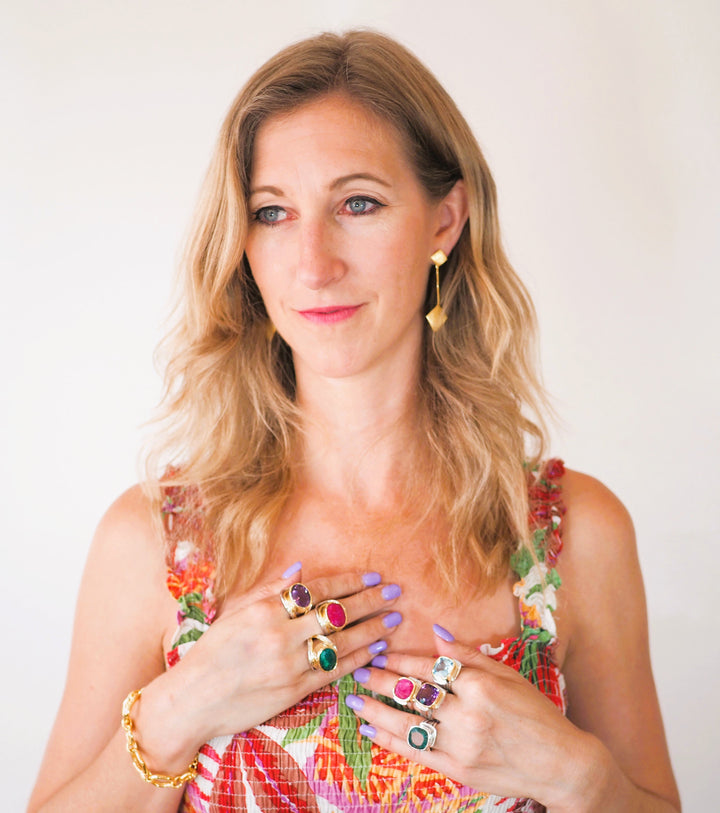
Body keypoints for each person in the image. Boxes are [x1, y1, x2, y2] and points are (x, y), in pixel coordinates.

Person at [28, 30, 680, 813]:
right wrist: (182, 708)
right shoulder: (156, 544)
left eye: (358, 203)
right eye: (273, 212)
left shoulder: (573, 534)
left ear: (445, 222)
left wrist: (580, 779)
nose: (313, 261)